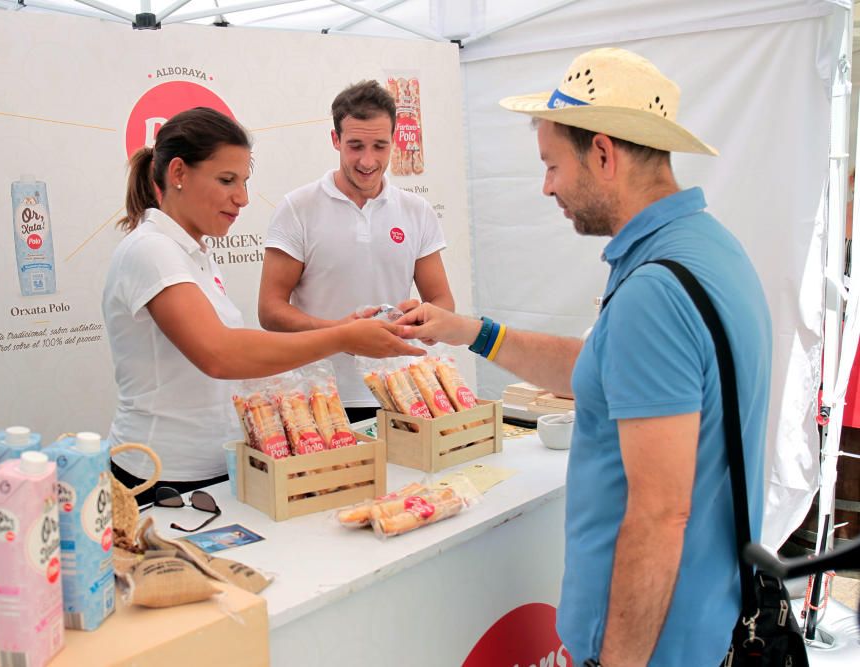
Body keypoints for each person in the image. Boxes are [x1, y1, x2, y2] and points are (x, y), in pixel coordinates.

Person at [396, 48, 772, 666]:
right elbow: (602, 370)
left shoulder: (654, 290)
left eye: (551, 165)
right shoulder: (707, 246)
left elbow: (658, 515)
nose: (546, 186)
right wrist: (470, 331)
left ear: (603, 152)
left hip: (658, 645)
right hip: (705, 620)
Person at [104, 107, 421, 506]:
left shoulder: (193, 252)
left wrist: (338, 331)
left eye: (245, 181)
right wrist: (341, 337)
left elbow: (230, 350)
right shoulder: (151, 250)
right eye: (227, 181)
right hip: (161, 477)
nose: (242, 198)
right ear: (179, 173)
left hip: (213, 469)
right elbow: (219, 354)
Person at [258, 80, 455, 422]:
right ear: (335, 140)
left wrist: (421, 319)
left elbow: (442, 302)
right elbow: (270, 310)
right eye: (355, 146)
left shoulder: (416, 210)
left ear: (394, 140)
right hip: (319, 398)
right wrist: (340, 335)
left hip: (401, 390)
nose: (368, 160)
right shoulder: (298, 207)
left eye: (380, 146)